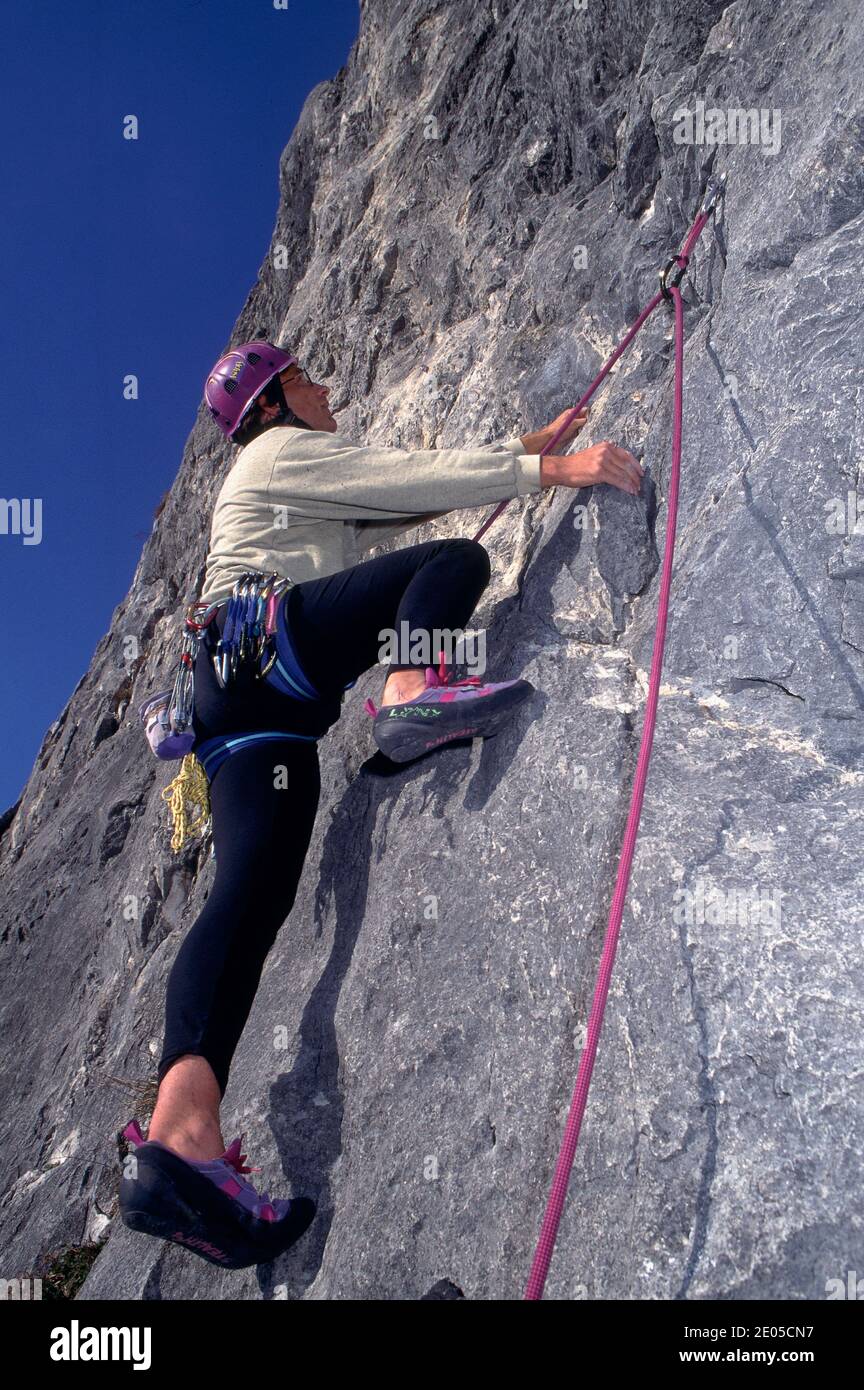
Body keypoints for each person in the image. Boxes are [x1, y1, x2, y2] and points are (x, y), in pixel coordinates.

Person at [119, 340, 644, 1268]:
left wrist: (530, 442)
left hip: (243, 716)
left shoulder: (285, 480)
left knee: (247, 900)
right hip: (273, 652)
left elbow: (398, 491)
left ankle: (180, 1136)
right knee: (444, 567)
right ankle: (409, 689)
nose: (327, 388)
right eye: (308, 378)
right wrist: (555, 467)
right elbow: (407, 480)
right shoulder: (276, 454)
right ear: (276, 399)